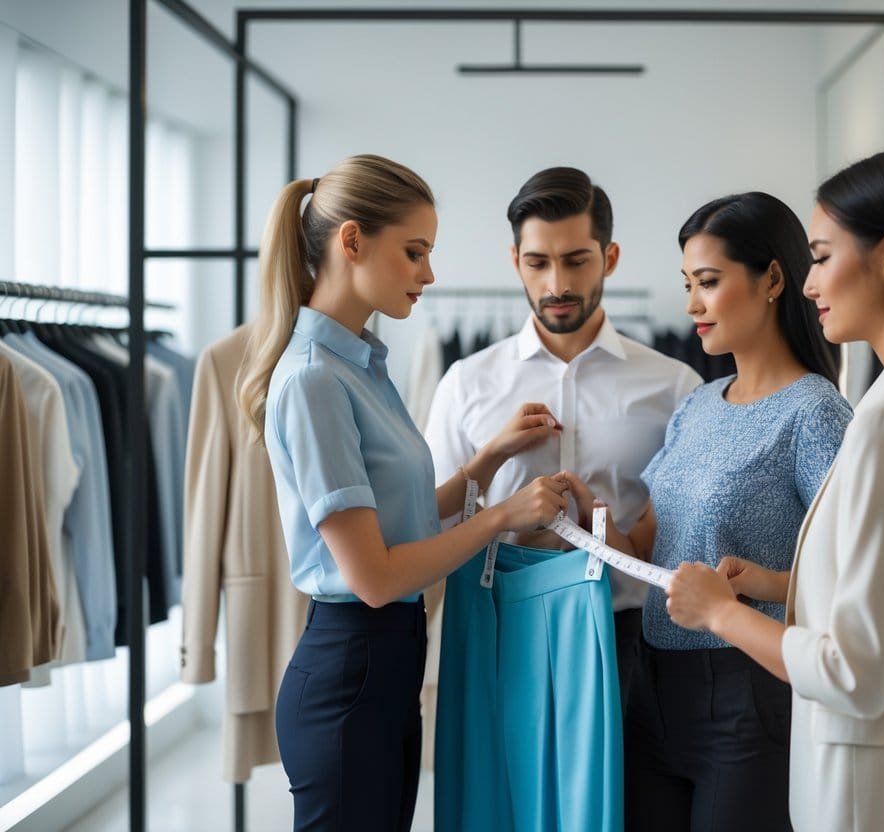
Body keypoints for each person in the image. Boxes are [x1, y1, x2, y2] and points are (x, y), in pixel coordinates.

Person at [664, 150, 884, 831]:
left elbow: (856, 670)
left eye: (820, 257)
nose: (809, 283)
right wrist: (775, 585)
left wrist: (719, 615)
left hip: (869, 792)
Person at [235, 154, 570, 830]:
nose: (428, 274)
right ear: (352, 241)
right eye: (414, 252)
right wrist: (501, 513)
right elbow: (376, 577)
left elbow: (399, 519)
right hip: (352, 669)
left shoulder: (357, 363)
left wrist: (486, 461)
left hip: (384, 668)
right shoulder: (313, 381)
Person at [565, 191, 852, 831]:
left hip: (747, 694)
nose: (691, 304)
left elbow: (850, 580)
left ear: (773, 278)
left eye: (709, 282)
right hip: (651, 688)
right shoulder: (698, 404)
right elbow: (650, 546)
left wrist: (758, 589)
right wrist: (593, 520)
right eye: (688, 284)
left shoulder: (817, 413)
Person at [424, 166, 702, 698]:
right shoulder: (466, 382)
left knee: (624, 785)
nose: (557, 285)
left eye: (576, 261)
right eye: (538, 263)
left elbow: (685, 538)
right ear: (516, 263)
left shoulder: (675, 387)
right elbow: (430, 524)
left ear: (610, 258)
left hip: (631, 645)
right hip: (501, 628)